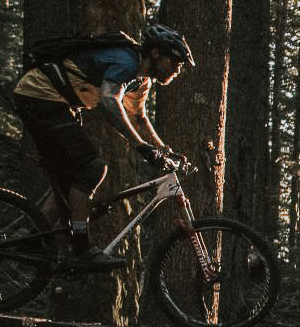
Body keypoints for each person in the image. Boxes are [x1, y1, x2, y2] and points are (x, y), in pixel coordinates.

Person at [11, 25, 193, 270]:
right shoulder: (127, 62)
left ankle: (34, 237)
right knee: (92, 168)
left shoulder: (141, 82)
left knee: (71, 182)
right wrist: (140, 146)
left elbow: (139, 118)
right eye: (176, 61)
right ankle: (82, 248)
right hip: (39, 97)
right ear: (156, 54)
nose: (177, 69)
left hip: (58, 104)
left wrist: (163, 150)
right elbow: (109, 100)